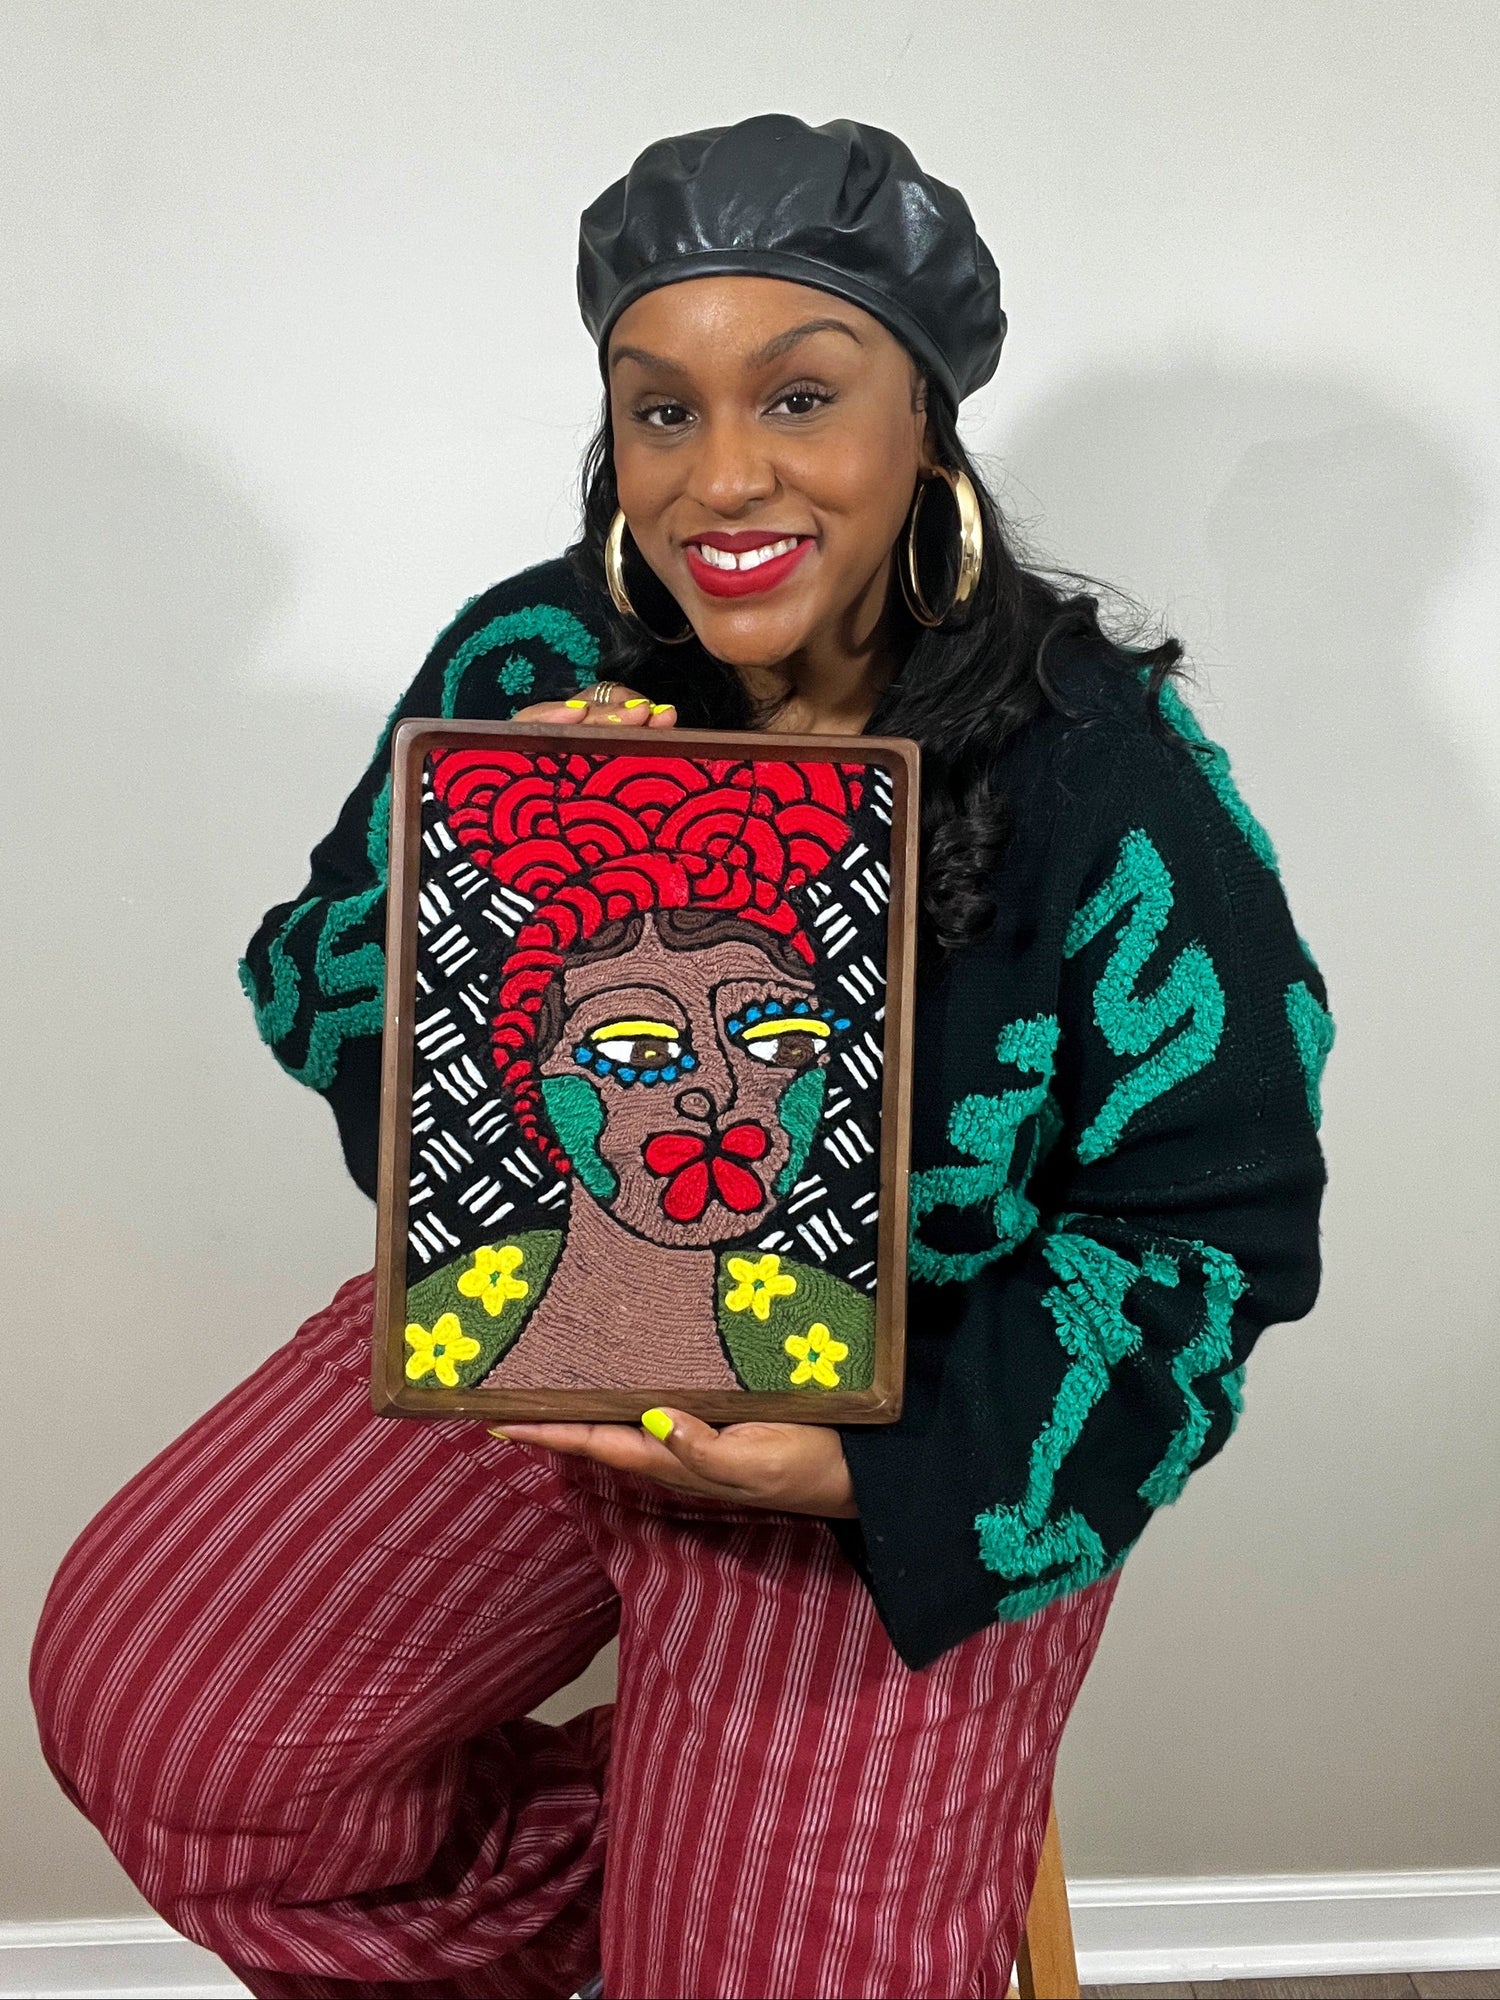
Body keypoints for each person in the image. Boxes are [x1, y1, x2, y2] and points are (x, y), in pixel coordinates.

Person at [30, 115, 1332, 2000]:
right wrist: (496, 889)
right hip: (552, 1325)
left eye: (801, 397)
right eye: (662, 411)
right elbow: (312, 969)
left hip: (891, 1425)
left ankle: (775, 1888)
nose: (726, 472)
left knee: (766, 1964)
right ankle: (686, 1877)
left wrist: (879, 1479)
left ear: (923, 426)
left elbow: (1217, 1229)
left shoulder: (1098, 772)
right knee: (172, 1718)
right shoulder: (539, 654)